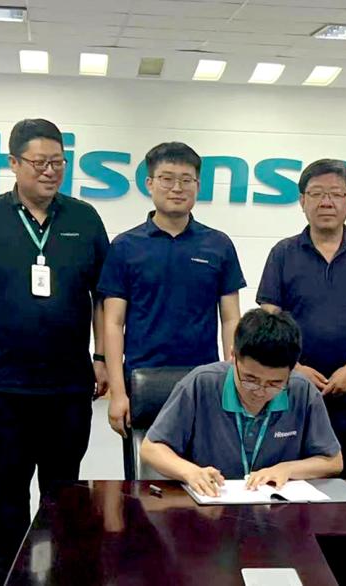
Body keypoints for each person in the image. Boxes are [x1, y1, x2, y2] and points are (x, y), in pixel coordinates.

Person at [0, 118, 110, 584]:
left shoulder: (84, 218)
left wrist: (101, 357)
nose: (50, 171)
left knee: (64, 489)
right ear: (14, 163)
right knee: (8, 487)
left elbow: (102, 296)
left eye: (58, 162)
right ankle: (8, 574)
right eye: (39, 162)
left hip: (68, 384)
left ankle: (60, 570)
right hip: (5, 384)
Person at [257, 159, 346, 478]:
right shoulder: (283, 252)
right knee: (285, 471)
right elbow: (269, 319)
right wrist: (293, 368)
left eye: (336, 193)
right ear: (302, 200)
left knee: (339, 472)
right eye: (317, 193)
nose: (326, 202)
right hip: (290, 385)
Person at [100, 141, 246, 439]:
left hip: (203, 380)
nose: (177, 188)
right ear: (149, 184)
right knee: (144, 464)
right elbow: (113, 323)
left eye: (186, 180)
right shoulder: (125, 246)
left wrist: (234, 381)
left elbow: (231, 319)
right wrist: (118, 392)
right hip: (142, 380)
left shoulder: (218, 245)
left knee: (204, 463)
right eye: (167, 179)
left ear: (198, 186)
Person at [141, 309, 342, 496]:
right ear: (233, 357)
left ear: (291, 371)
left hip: (274, 509)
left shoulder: (302, 391)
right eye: (250, 380)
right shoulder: (201, 384)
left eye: (274, 384)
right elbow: (151, 448)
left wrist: (288, 469)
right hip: (210, 505)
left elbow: (333, 462)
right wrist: (189, 471)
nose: (260, 392)